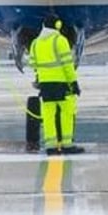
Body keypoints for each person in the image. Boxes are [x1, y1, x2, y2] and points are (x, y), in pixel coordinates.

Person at [29, 15, 84, 155]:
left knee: (48, 116)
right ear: (58, 25)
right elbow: (67, 65)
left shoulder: (35, 43)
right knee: (66, 114)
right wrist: (74, 82)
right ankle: (67, 145)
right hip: (62, 84)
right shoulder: (60, 41)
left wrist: (42, 77)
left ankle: (51, 146)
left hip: (45, 86)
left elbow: (33, 64)